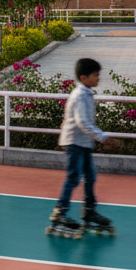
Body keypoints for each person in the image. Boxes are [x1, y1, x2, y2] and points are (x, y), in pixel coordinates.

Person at [48, 57, 115, 236]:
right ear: (84, 78)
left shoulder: (87, 94)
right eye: (95, 75)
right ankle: (59, 213)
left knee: (91, 176)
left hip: (83, 143)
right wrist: (103, 137)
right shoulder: (79, 96)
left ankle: (89, 210)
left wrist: (98, 138)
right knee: (74, 177)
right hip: (73, 142)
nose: (98, 79)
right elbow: (82, 122)